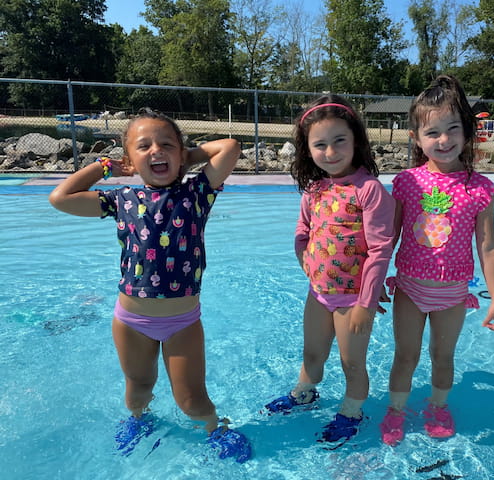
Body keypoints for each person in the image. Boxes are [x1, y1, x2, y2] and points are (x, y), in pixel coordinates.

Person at [48, 108, 251, 462]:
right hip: (132, 321)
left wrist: (188, 157)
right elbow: (60, 198)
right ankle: (139, 420)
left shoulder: (197, 195)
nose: (156, 151)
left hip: (183, 322)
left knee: (191, 399)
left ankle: (215, 426)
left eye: (166, 145)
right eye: (144, 147)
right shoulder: (121, 199)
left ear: (180, 153)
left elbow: (230, 147)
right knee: (139, 388)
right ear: (130, 160)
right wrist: (107, 167)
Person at [379, 75, 494, 446]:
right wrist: (374, 283)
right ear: (416, 138)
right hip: (410, 288)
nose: (444, 140)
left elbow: (488, 246)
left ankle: (437, 406)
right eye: (432, 132)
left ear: (467, 133)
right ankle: (397, 410)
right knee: (405, 357)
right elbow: (390, 236)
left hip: (452, 292)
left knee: (442, 356)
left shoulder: (480, 189)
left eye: (452, 129)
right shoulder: (407, 182)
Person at [264, 95, 396, 445]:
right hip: (319, 293)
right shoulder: (315, 189)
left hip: (353, 299)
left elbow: (381, 249)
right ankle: (305, 393)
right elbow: (302, 231)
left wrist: (366, 303)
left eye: (340, 140)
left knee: (351, 363)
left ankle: (352, 411)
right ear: (308, 150)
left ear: (356, 141)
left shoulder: (369, 190)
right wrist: (303, 258)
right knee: (312, 354)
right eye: (320, 144)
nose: (331, 151)